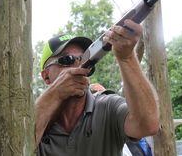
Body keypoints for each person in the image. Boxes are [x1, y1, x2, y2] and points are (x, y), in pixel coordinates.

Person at [35, 19, 159, 156]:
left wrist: (127, 57)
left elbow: (148, 125)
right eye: (67, 60)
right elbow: (16, 141)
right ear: (46, 76)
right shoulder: (37, 116)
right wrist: (55, 94)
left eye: (85, 60)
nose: (79, 67)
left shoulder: (108, 106)